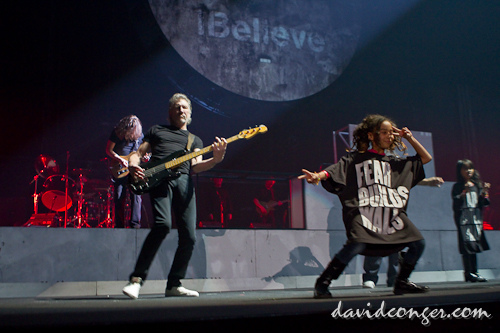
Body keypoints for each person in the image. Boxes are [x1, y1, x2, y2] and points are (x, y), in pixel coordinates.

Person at [299, 114, 433, 298]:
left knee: (418, 243)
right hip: (363, 212)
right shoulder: (356, 159)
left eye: (391, 133)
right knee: (356, 244)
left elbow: (425, 158)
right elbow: (334, 170)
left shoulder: (395, 162)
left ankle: (401, 282)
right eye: (384, 132)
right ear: (371, 136)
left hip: (390, 214)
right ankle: (323, 282)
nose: (389, 136)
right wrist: (316, 177)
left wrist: (408, 137)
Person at [122, 93, 227, 299]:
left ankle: (174, 284)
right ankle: (136, 280)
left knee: (189, 236)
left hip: (184, 181)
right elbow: (138, 153)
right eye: (177, 107)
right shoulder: (157, 130)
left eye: (184, 107)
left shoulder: (194, 139)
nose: (181, 110)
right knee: (162, 225)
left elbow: (196, 166)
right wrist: (133, 164)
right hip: (158, 179)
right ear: (170, 112)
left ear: (189, 114)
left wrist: (216, 159)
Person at [362, 177, 444, 288]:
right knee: (376, 244)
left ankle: (395, 278)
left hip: (396, 213)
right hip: (378, 211)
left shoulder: (401, 168)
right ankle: (370, 277)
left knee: (395, 247)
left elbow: (410, 178)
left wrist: (428, 182)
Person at [452, 159, 490, 282]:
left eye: (470, 168)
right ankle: (468, 272)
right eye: (465, 168)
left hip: (475, 219)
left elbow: (483, 203)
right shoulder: (457, 186)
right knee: (466, 246)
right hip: (464, 221)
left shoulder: (477, 185)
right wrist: (464, 192)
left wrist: (485, 192)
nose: (468, 171)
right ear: (460, 171)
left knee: (474, 245)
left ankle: (474, 272)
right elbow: (455, 203)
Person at [105, 115, 144, 228]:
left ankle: (135, 225)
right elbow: (108, 150)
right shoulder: (118, 133)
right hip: (119, 168)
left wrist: (145, 158)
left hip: (133, 168)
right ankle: (119, 226)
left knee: (137, 195)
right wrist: (120, 159)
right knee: (119, 195)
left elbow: (140, 153)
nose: (132, 132)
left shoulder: (140, 136)